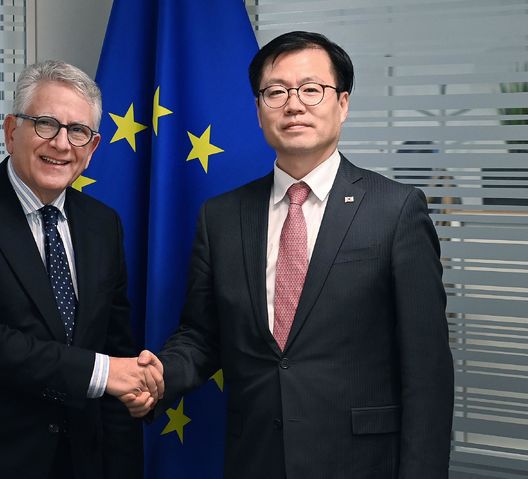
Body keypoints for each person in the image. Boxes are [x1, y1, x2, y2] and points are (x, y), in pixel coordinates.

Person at [124, 31, 454, 478]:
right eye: (276, 92)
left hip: (362, 463)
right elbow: (202, 335)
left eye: (311, 89)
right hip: (256, 457)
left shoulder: (396, 210)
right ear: (259, 110)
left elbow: (427, 369)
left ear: (343, 104)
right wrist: (162, 377)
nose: (293, 105)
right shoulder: (221, 217)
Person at [0, 60, 162, 479]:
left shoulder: (102, 224)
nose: (61, 144)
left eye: (78, 131)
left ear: (92, 148)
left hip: (79, 461)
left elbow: (115, 346)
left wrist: (131, 392)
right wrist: (104, 373)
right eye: (45, 124)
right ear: (10, 132)